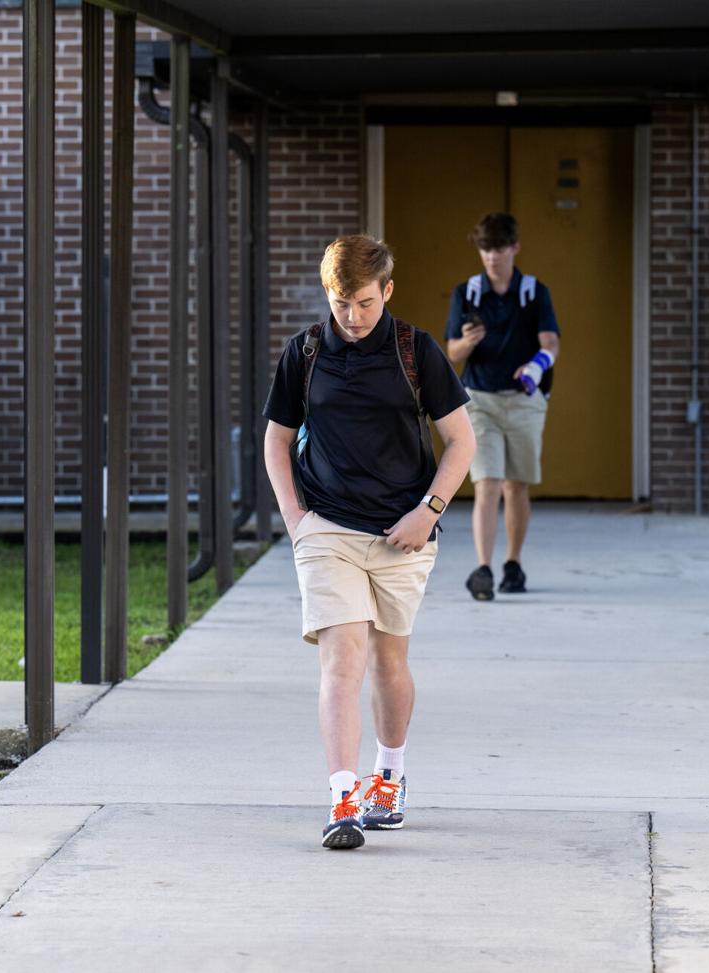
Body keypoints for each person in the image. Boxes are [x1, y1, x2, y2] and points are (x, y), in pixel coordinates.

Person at [263, 234, 475, 850]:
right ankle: (342, 798)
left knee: (388, 661)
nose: (351, 317)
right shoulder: (304, 352)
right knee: (343, 657)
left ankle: (391, 773)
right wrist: (295, 519)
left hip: (402, 533)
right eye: (339, 302)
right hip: (327, 527)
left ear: (386, 290)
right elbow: (277, 439)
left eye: (362, 302)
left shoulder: (416, 351)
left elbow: (461, 442)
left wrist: (428, 511)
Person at [444, 212, 561, 601]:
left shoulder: (533, 291)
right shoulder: (468, 293)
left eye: (498, 249)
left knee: (516, 486)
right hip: (479, 399)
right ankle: (484, 568)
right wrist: (468, 342)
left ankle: (513, 562)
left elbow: (551, 343)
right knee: (487, 484)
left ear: (514, 248)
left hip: (526, 399)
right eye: (484, 249)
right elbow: (453, 351)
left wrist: (536, 364)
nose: (491, 257)